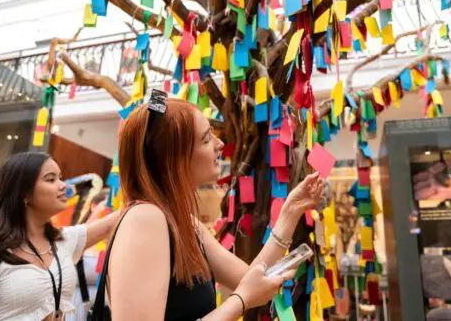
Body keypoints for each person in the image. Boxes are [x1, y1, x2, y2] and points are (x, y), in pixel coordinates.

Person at [103, 90, 324, 320]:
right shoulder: (145, 219)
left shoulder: (185, 224)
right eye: (207, 139)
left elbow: (254, 278)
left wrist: (290, 212)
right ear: (174, 158)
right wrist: (240, 301)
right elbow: (247, 291)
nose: (220, 144)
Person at [0, 152, 120, 321]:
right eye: (50, 179)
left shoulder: (63, 240)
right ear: (24, 193)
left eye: (60, 178)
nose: (62, 186)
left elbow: (112, 222)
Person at [68, 190, 110, 321]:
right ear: (93, 205)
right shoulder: (73, 236)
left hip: (105, 312)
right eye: (106, 204)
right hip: (77, 308)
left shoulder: (117, 240)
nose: (109, 210)